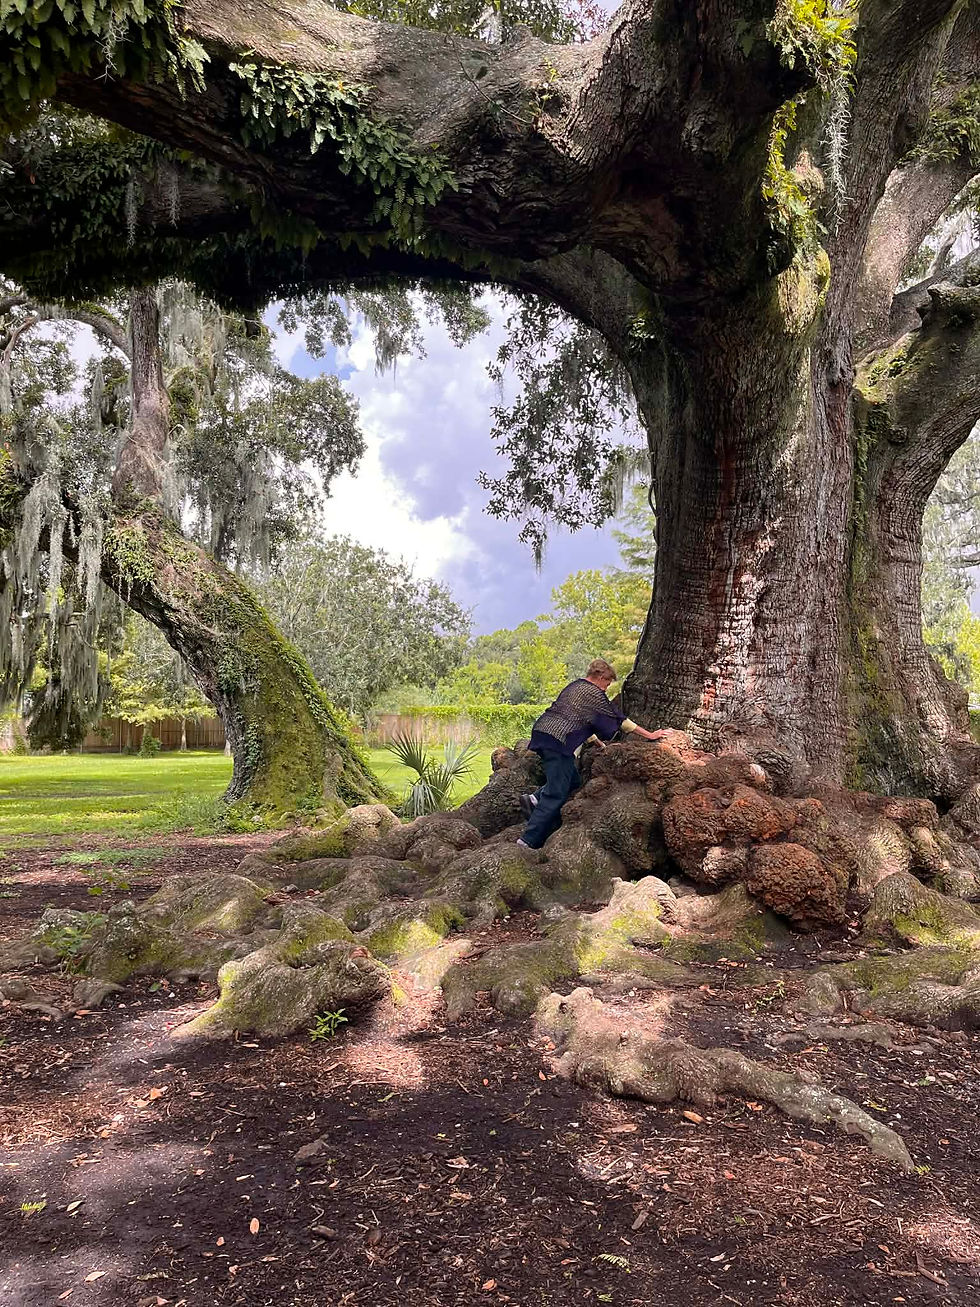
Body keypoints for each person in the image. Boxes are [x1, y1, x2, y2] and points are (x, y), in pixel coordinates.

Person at [517, 658, 667, 850]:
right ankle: (527, 841)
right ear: (601, 677)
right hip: (558, 742)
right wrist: (650, 735)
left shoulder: (575, 686)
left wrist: (594, 741)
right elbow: (619, 719)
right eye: (607, 683)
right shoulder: (594, 693)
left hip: (544, 733)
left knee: (573, 781)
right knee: (556, 794)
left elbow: (575, 718)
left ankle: (534, 798)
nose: (606, 688)